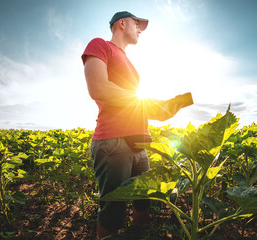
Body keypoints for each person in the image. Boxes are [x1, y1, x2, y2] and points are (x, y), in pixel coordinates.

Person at [81, 11, 183, 239]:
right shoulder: (100, 45)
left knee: (143, 202)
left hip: (139, 144)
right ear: (121, 24)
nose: (139, 30)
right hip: (113, 142)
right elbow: (98, 87)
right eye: (137, 25)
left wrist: (161, 109)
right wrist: (148, 103)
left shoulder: (129, 62)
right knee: (113, 212)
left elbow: (133, 104)